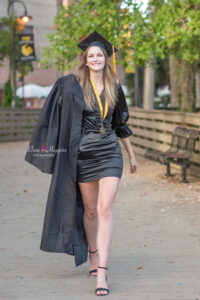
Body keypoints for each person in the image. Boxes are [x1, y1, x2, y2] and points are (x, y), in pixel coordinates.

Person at [24, 30, 137, 296]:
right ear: (85, 60)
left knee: (105, 207)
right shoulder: (71, 85)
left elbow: (120, 125)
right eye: (91, 55)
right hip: (83, 155)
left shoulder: (114, 87)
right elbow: (52, 116)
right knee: (89, 209)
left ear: (106, 59)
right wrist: (48, 149)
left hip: (110, 152)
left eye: (100, 55)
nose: (96, 59)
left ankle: (103, 274)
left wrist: (131, 154)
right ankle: (93, 254)